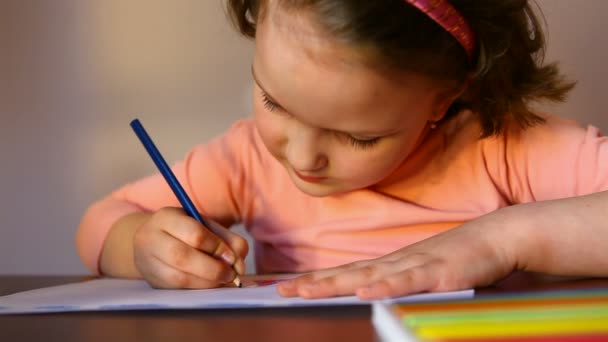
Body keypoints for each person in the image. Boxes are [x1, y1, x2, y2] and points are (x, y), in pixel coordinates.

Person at [76, 0, 608, 300]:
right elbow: (100, 224)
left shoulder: (499, 145)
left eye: (359, 137)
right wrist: (147, 245)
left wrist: (502, 239)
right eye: (274, 102)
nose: (303, 158)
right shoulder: (246, 160)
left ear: (447, 96)